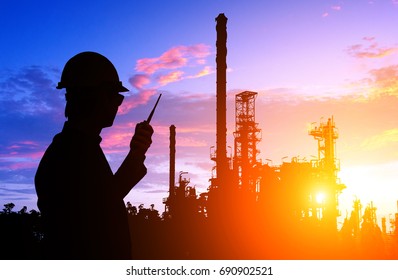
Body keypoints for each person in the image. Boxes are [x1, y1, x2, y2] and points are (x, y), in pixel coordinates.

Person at [35, 51, 153, 259]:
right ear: (95, 96)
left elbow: (103, 200)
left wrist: (135, 155)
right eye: (116, 97)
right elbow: (95, 219)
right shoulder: (70, 156)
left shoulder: (77, 150)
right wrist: (135, 157)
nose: (118, 105)